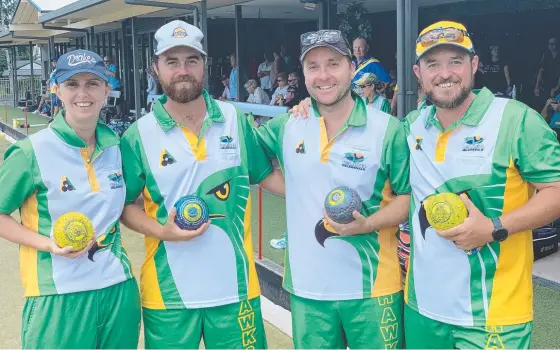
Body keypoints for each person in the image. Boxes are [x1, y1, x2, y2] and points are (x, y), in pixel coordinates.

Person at [119, 20, 284, 349]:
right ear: (156, 68)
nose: (183, 70)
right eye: (172, 61)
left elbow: (268, 178)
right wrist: (163, 231)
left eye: (191, 60)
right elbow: (126, 207)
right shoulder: (138, 136)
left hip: (236, 291)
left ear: (204, 64)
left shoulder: (236, 120)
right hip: (168, 297)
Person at [401, 20, 560, 349]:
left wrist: (494, 227)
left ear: (474, 65)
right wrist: (308, 108)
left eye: (455, 61)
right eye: (433, 64)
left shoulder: (517, 119)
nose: (445, 73)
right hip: (422, 310)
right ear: (419, 73)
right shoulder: (412, 125)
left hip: (494, 316)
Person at [254, 29, 410, 349]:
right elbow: (255, 166)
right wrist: (295, 190)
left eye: (333, 64)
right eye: (313, 66)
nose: (323, 75)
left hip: (374, 291)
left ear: (352, 68)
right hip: (308, 291)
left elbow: (408, 197)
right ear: (304, 74)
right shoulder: (287, 125)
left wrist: (367, 224)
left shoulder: (388, 130)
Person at [0, 49, 141, 348]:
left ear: (106, 90)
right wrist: (48, 244)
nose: (83, 93)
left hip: (118, 289)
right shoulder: (30, 152)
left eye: (92, 83)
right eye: (72, 84)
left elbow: (131, 204)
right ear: (57, 90)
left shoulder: (119, 147)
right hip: (57, 295)